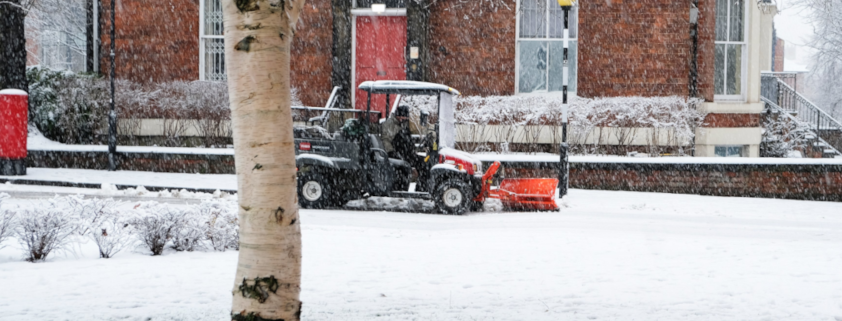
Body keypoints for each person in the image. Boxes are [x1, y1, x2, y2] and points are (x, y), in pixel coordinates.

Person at [382, 105, 431, 190]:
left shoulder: (403, 124)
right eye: (403, 117)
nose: (404, 119)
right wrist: (392, 153)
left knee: (426, 163)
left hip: (407, 153)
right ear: (399, 115)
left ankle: (422, 189)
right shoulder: (390, 125)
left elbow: (407, 141)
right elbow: (386, 140)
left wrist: (418, 147)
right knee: (418, 165)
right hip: (396, 154)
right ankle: (417, 189)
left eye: (405, 118)